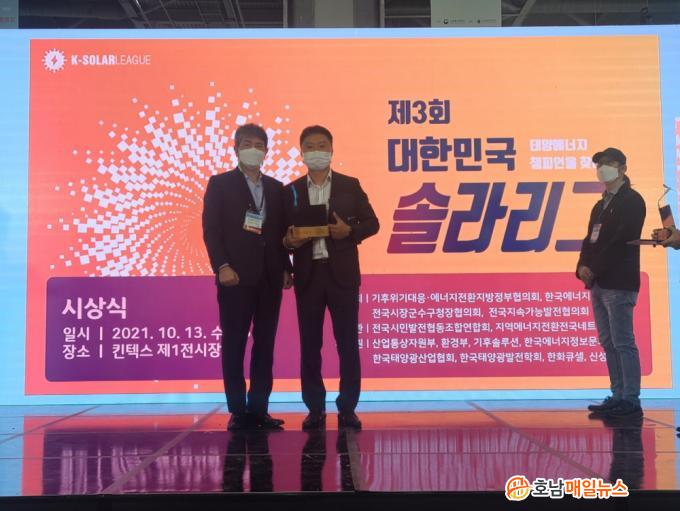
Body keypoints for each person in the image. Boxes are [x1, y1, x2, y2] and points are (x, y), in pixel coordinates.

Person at [283, 125, 379, 430]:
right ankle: (315, 408)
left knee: (347, 344)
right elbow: (280, 237)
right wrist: (289, 243)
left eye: (322, 145)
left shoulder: (350, 185)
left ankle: (348, 407)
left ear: (332, 150)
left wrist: (349, 231)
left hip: (342, 277)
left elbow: (372, 223)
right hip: (308, 276)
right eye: (310, 146)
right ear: (301, 153)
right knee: (310, 346)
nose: (317, 151)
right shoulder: (291, 191)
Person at [202, 123, 293, 431]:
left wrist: (286, 268)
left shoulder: (276, 188)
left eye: (258, 145)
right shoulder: (220, 184)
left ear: (266, 151)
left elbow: (278, 233)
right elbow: (211, 231)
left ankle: (259, 410)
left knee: (265, 345)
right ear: (236, 149)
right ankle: (238, 411)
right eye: (246, 144)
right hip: (235, 277)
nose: (253, 149)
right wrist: (222, 266)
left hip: (270, 278)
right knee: (234, 343)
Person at [577, 148, 646, 419]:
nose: (602, 169)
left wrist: (594, 268)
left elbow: (621, 241)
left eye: (608, 164)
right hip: (598, 283)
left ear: (622, 168)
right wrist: (582, 266)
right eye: (599, 165)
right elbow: (589, 239)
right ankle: (617, 395)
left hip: (619, 281)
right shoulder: (600, 204)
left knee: (623, 341)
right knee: (607, 341)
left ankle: (630, 398)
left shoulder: (632, 201)